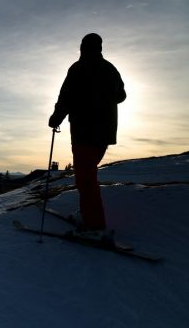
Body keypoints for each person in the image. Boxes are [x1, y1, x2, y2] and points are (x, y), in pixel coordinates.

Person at [48, 33, 126, 236]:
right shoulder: (110, 69)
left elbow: (65, 96)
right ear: (100, 48)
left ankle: (94, 223)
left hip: (84, 131)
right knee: (88, 173)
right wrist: (104, 100)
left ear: (83, 47)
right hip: (105, 132)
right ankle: (88, 213)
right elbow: (122, 96)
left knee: (85, 178)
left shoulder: (78, 69)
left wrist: (56, 117)